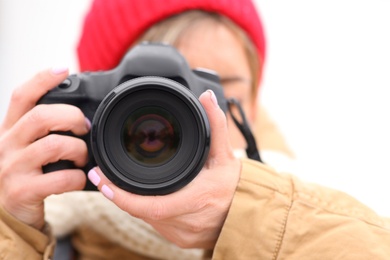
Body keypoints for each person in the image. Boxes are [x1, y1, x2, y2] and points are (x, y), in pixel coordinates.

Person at [0, 0, 389, 259]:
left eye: (212, 86)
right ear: (94, 111)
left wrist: (247, 217)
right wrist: (14, 227)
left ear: (248, 106)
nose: (190, 116)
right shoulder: (46, 231)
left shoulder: (326, 215)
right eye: (148, 94)